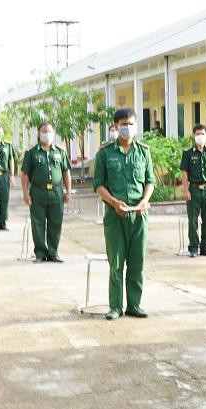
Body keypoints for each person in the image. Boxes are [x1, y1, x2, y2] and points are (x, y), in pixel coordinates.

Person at [92, 108, 155, 319]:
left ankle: (134, 305)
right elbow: (98, 185)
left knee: (137, 263)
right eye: (123, 124)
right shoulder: (105, 153)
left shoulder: (143, 152)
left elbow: (150, 182)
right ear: (116, 127)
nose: (127, 127)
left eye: (131, 123)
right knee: (116, 263)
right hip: (115, 215)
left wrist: (145, 201)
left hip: (138, 215)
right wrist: (113, 201)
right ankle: (115, 307)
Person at [21, 122, 71, 262]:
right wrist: (25, 193)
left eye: (49, 131)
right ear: (39, 134)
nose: (46, 134)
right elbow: (25, 174)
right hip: (38, 191)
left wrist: (68, 191)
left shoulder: (60, 153)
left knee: (56, 223)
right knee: (38, 223)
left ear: (53, 133)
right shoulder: (32, 153)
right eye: (44, 131)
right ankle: (40, 253)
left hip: (56, 191)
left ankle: (53, 252)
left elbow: (66, 172)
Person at [179, 123, 206, 257]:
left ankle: (205, 247)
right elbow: (184, 172)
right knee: (193, 220)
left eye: (202, 134)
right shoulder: (188, 153)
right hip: (194, 189)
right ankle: (193, 247)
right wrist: (185, 190)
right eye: (197, 134)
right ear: (193, 136)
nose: (200, 136)